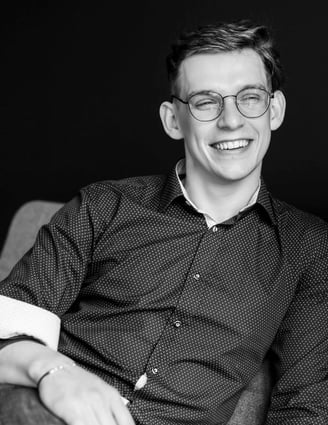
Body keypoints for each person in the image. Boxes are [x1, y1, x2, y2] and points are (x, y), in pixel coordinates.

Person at [0, 18, 327, 425]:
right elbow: (10, 322)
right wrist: (55, 373)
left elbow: (306, 407)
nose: (231, 120)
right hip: (49, 412)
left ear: (274, 110)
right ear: (174, 119)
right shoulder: (104, 205)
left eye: (249, 97)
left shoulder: (308, 247)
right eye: (207, 101)